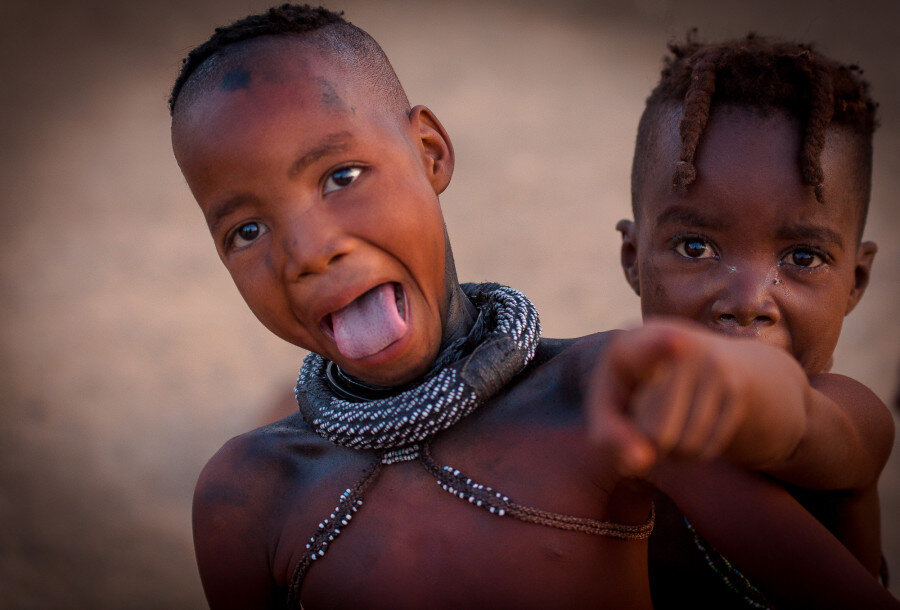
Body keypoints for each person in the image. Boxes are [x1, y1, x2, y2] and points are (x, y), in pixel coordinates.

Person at [169, 6, 898, 608]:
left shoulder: (606, 397)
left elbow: (813, 442)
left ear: (431, 151)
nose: (307, 251)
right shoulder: (244, 496)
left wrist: (728, 381)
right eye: (247, 230)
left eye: (343, 175)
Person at [592, 33, 895, 607]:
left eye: (802, 258)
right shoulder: (610, 415)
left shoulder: (854, 421)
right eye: (695, 247)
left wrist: (731, 384)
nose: (749, 298)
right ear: (633, 259)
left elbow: (795, 420)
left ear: (855, 280)